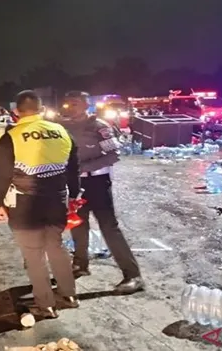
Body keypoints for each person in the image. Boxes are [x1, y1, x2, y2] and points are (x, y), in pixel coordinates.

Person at [0, 90, 80, 321]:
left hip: (26, 203)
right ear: (41, 110)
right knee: (56, 246)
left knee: (33, 254)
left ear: (16, 112)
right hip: (57, 199)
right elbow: (73, 167)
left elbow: (1, 175)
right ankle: (69, 295)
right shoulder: (61, 131)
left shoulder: (11, 137)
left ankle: (45, 305)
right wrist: (73, 195)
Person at [60, 91, 144, 295]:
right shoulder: (63, 127)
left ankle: (133, 275)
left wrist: (83, 167)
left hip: (97, 182)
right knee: (78, 225)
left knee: (109, 228)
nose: (71, 107)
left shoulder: (100, 127)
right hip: (74, 184)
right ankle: (80, 264)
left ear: (87, 105)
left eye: (76, 103)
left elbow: (113, 155)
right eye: (68, 104)